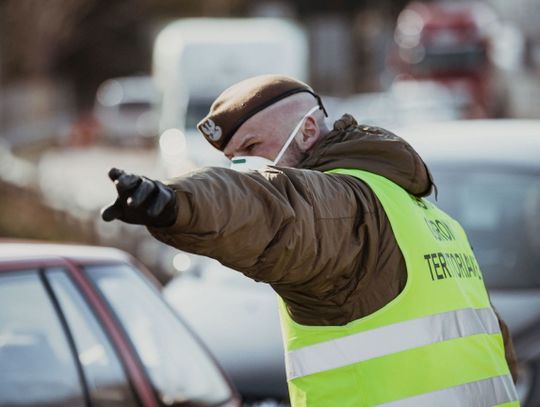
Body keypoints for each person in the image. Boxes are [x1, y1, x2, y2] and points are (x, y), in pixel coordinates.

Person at [102, 75, 519, 406]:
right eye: (232, 161)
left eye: (252, 147)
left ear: (306, 132)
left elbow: (274, 210)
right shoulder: (431, 218)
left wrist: (179, 204)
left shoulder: (349, 209)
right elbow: (499, 354)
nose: (247, 168)